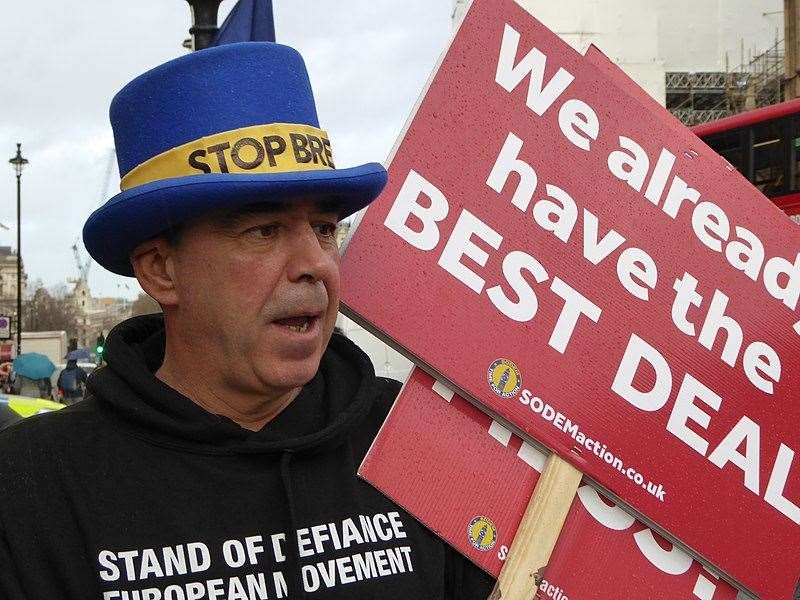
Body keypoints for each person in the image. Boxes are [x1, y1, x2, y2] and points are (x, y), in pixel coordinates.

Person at [0, 43, 494, 598]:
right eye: (264, 231)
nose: (315, 264)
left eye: (325, 229)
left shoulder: (426, 448)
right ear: (162, 270)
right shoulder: (31, 489)